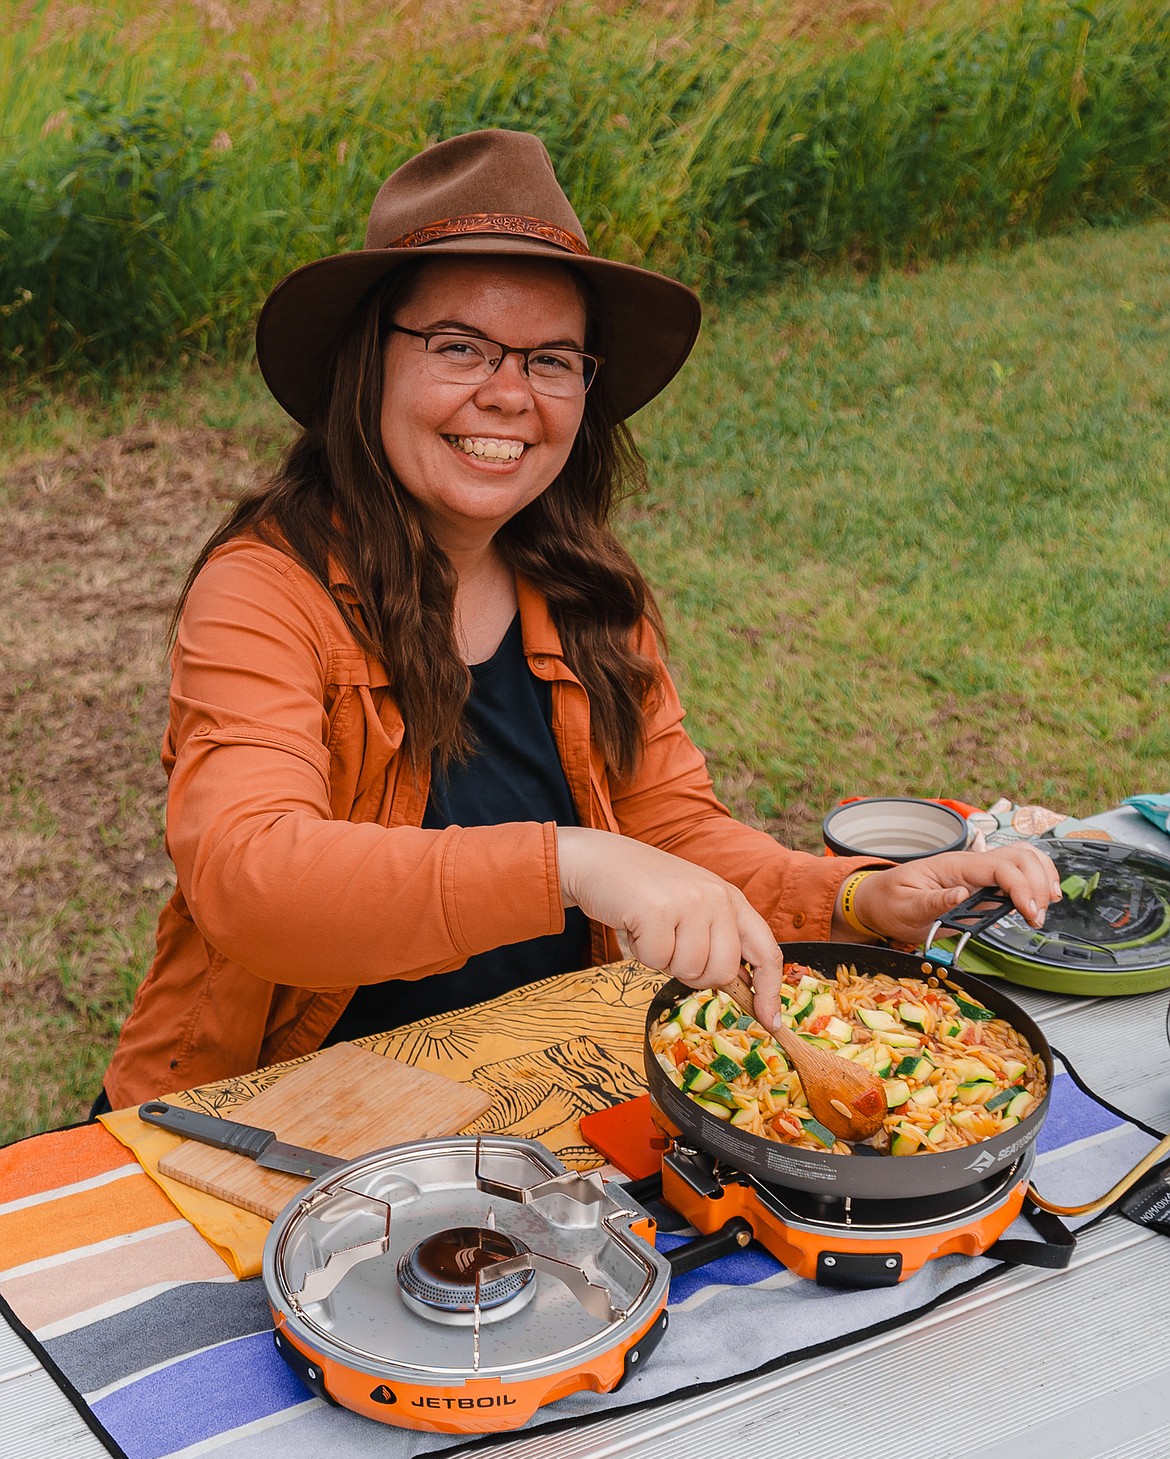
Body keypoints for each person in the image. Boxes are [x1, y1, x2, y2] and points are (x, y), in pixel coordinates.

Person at [100, 130, 1059, 1109]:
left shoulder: (586, 591)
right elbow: (249, 876)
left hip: (536, 1089)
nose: (510, 393)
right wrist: (572, 863)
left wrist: (856, 896)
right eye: (459, 346)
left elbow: (673, 830)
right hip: (278, 1113)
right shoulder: (267, 589)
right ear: (367, 363)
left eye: (551, 359)